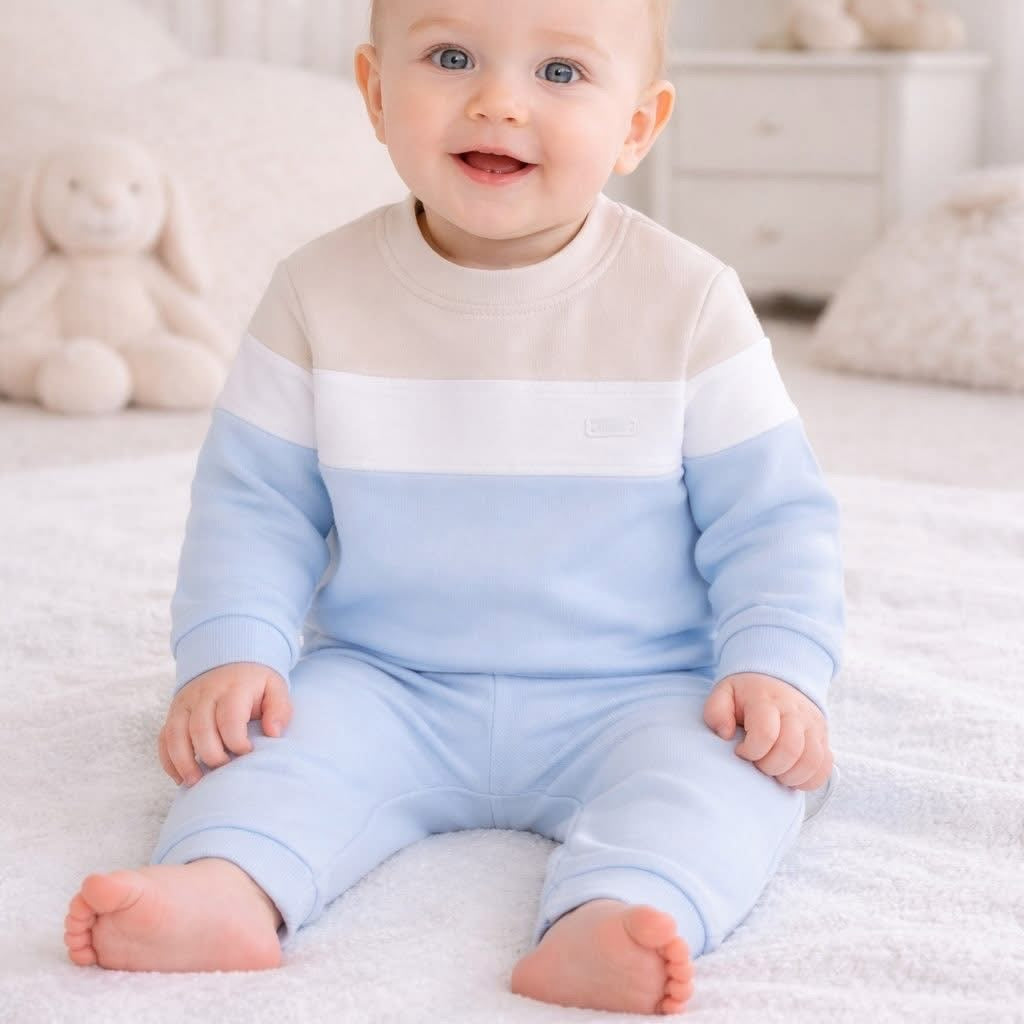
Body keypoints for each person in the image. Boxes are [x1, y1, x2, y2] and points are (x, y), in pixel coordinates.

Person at [62, 0, 845, 1014]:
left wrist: (775, 667)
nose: (498, 102)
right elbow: (256, 505)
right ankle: (227, 884)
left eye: (559, 73)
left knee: (736, 775)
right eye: (449, 56)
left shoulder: (687, 299)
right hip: (387, 679)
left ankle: (620, 908)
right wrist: (231, 650)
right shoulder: (316, 291)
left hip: (640, 686)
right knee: (265, 752)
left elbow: (772, 518)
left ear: (638, 126)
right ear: (376, 93)